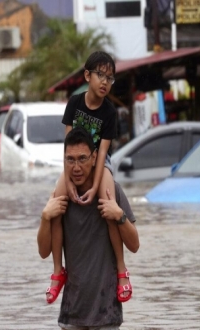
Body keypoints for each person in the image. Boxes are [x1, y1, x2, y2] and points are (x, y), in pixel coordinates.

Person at [47, 51, 133, 305]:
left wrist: (95, 185)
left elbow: (104, 150)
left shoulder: (109, 111)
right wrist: (68, 180)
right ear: (87, 76)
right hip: (73, 159)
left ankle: (121, 270)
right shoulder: (74, 103)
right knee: (56, 203)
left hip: (100, 162)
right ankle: (56, 272)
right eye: (100, 75)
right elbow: (68, 145)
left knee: (108, 203)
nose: (105, 82)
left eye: (110, 78)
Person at [37, 127, 140, 329]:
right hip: (71, 313)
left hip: (106, 313)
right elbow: (43, 251)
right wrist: (45, 218)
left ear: (94, 158)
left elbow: (134, 245)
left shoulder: (111, 192)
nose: (76, 167)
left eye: (82, 159)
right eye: (70, 160)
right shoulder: (61, 198)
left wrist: (119, 216)